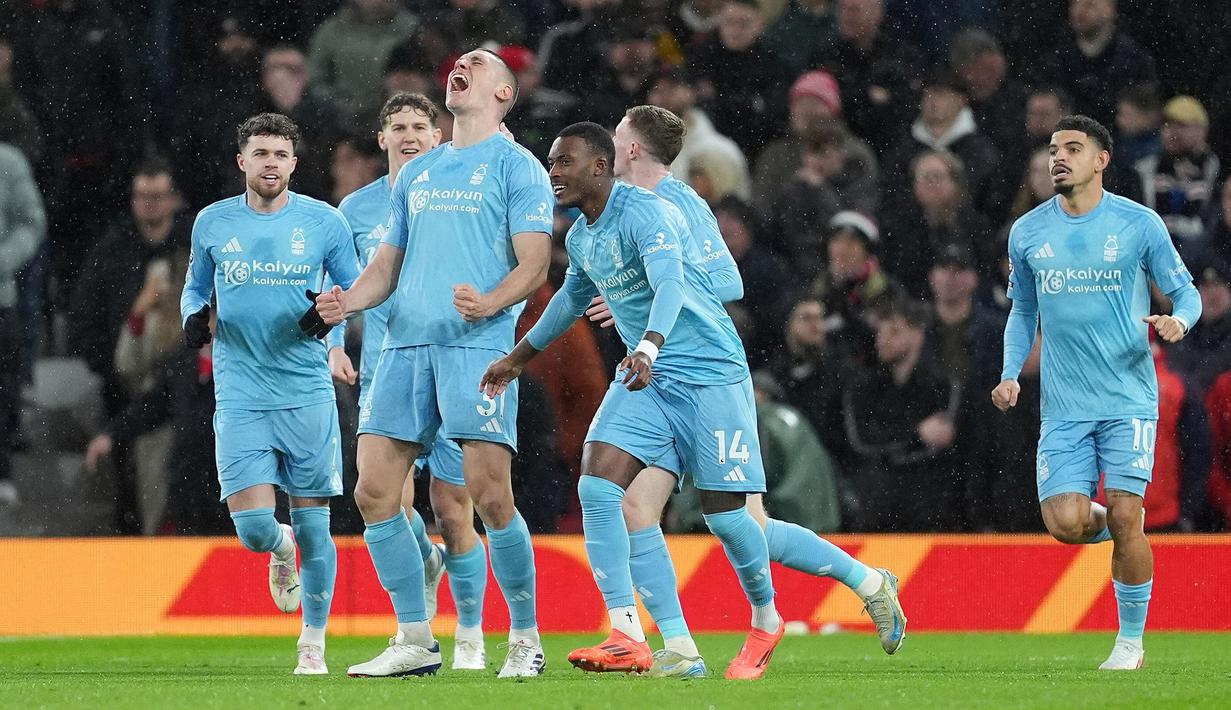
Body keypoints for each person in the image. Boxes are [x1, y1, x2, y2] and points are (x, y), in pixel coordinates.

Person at [480, 122, 789, 681]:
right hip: (647, 377)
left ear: (600, 166)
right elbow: (569, 301)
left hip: (707, 373)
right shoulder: (580, 236)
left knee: (728, 517)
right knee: (598, 486)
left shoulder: (648, 212)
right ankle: (631, 634)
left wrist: (647, 345)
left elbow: (669, 285)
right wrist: (517, 358)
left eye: (564, 161)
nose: (554, 173)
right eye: (550, 162)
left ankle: (766, 617)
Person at [308, 49, 553, 679]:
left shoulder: (517, 167)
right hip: (403, 349)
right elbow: (385, 268)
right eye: (460, 59)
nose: (462, 64)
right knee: (373, 491)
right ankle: (415, 637)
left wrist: (490, 302)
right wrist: (345, 303)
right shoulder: (419, 174)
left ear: (504, 93)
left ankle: (524, 636)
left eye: (480, 62)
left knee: (489, 498)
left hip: (475, 349)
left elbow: (535, 264)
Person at [992, 115, 1201, 670]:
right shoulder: (1028, 232)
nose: (1058, 158)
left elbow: (1187, 293)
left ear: (1101, 160)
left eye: (1072, 148)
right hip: (1064, 405)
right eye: (1054, 149)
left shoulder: (1138, 224)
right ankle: (1118, 525)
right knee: (1066, 525)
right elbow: (1024, 311)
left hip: (1129, 397)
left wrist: (1180, 321)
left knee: (1130, 514)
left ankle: (1130, 643)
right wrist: (1011, 372)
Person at [180, 113, 362, 674]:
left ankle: (313, 642)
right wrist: (193, 319)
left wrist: (332, 318)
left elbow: (352, 291)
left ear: (293, 164)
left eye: (280, 155)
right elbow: (194, 288)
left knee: (316, 522)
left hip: (306, 388)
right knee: (257, 530)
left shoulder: (324, 223)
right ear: (242, 160)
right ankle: (279, 551)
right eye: (260, 153)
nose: (270, 164)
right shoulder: (212, 223)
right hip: (240, 393)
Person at [325, 91, 493, 671]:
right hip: (385, 367)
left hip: (453, 362)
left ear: (438, 135)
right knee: (383, 499)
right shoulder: (354, 211)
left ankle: (470, 633)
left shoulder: (457, 197)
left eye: (422, 125)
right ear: (382, 138)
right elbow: (334, 284)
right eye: (398, 125)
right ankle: (415, 617)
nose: (410, 134)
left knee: (453, 507)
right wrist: (331, 344)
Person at [0, 142, 45, 508]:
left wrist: (2, 261)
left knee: (3, 390)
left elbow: (32, 222)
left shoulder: (9, 161)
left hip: (0, 300)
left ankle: (1, 471)